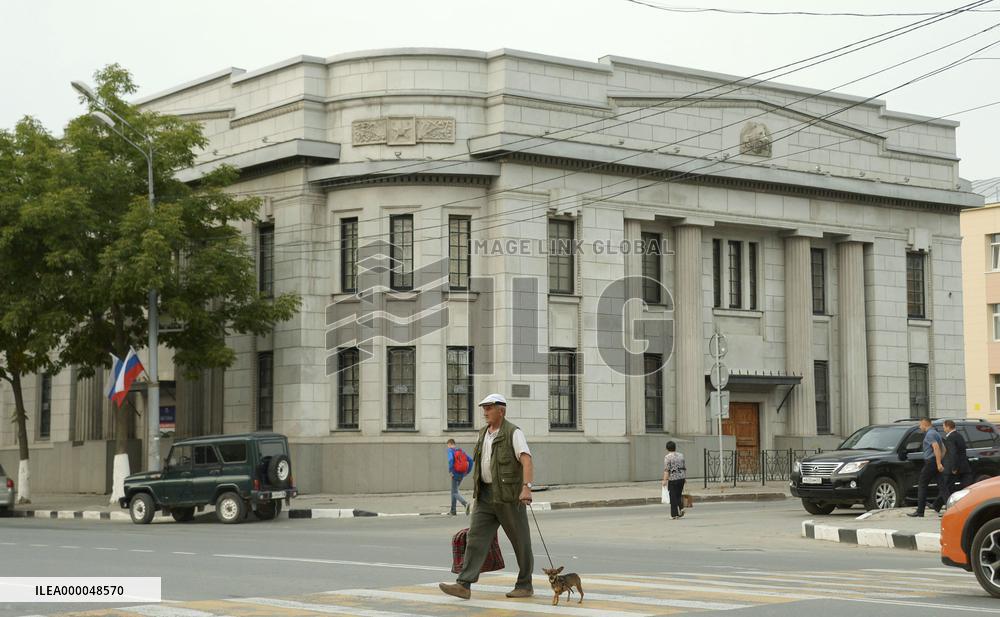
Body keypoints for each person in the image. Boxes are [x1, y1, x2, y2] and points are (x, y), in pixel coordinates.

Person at [439, 393, 534, 600]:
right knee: (475, 538)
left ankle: (525, 584)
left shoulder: (513, 432)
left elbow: (526, 460)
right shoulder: (483, 433)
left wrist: (526, 487)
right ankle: (464, 584)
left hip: (509, 497)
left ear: (501, 410)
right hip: (485, 496)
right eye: (484, 408)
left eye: (489, 408)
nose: (485, 412)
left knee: (521, 542)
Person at [909, 417, 945, 517]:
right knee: (942, 486)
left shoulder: (930, 434)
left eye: (920, 424)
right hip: (935, 461)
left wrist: (938, 463)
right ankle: (951, 509)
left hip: (931, 462)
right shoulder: (936, 433)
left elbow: (936, 448)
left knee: (922, 485)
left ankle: (920, 511)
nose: (920, 427)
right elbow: (944, 449)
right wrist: (940, 461)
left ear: (925, 424)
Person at [937, 419, 972, 511]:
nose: (943, 428)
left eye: (944, 427)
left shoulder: (950, 438)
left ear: (948, 427)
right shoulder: (959, 435)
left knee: (947, 487)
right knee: (963, 486)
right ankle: (936, 505)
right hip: (964, 465)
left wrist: (954, 467)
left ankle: (949, 507)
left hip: (956, 467)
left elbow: (953, 453)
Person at [446, 438, 472, 516]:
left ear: (450, 444)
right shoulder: (461, 451)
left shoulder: (450, 451)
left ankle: (465, 503)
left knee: (454, 492)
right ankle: (453, 511)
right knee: (454, 491)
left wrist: (450, 471)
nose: (448, 447)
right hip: (462, 474)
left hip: (455, 474)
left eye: (448, 445)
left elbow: (450, 460)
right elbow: (470, 460)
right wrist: (467, 472)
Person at [662, 441, 687, 520]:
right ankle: (681, 508)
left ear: (667, 448)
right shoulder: (681, 455)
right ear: (675, 447)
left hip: (673, 479)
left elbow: (667, 470)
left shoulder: (667, 457)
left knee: (673, 496)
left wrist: (664, 480)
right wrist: (685, 477)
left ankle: (674, 515)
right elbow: (684, 467)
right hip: (681, 478)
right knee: (678, 495)